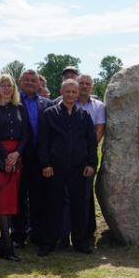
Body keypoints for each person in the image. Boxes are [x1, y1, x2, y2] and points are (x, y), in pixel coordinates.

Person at [38, 78, 98, 254]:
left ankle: (80, 242)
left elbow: (91, 143)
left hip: (79, 168)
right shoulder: (50, 114)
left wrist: (91, 163)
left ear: (78, 93)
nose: (71, 94)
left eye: (74, 92)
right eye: (67, 91)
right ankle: (49, 242)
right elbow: (43, 142)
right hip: (55, 168)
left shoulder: (84, 116)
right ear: (61, 92)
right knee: (52, 205)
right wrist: (45, 164)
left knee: (79, 206)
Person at [0, 74, 27, 261]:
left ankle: (6, 240)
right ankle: (6, 244)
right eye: (3, 86)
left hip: (17, 156)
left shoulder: (19, 108)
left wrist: (16, 154)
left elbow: (26, 134)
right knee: (1, 199)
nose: (7, 89)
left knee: (13, 198)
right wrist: (5, 155)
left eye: (10, 86)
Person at [15, 70, 51, 251]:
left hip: (41, 158)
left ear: (39, 84)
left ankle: (37, 234)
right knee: (19, 198)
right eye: (27, 80)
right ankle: (19, 235)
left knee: (39, 198)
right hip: (20, 157)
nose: (30, 82)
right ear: (20, 81)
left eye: (34, 80)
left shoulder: (47, 104)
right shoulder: (12, 102)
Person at [77, 74, 106, 236]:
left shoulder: (99, 106)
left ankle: (87, 232)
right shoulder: (64, 102)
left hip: (88, 154)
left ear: (92, 87)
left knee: (86, 194)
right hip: (69, 155)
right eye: (81, 83)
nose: (84, 86)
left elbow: (100, 129)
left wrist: (86, 149)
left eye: (88, 83)